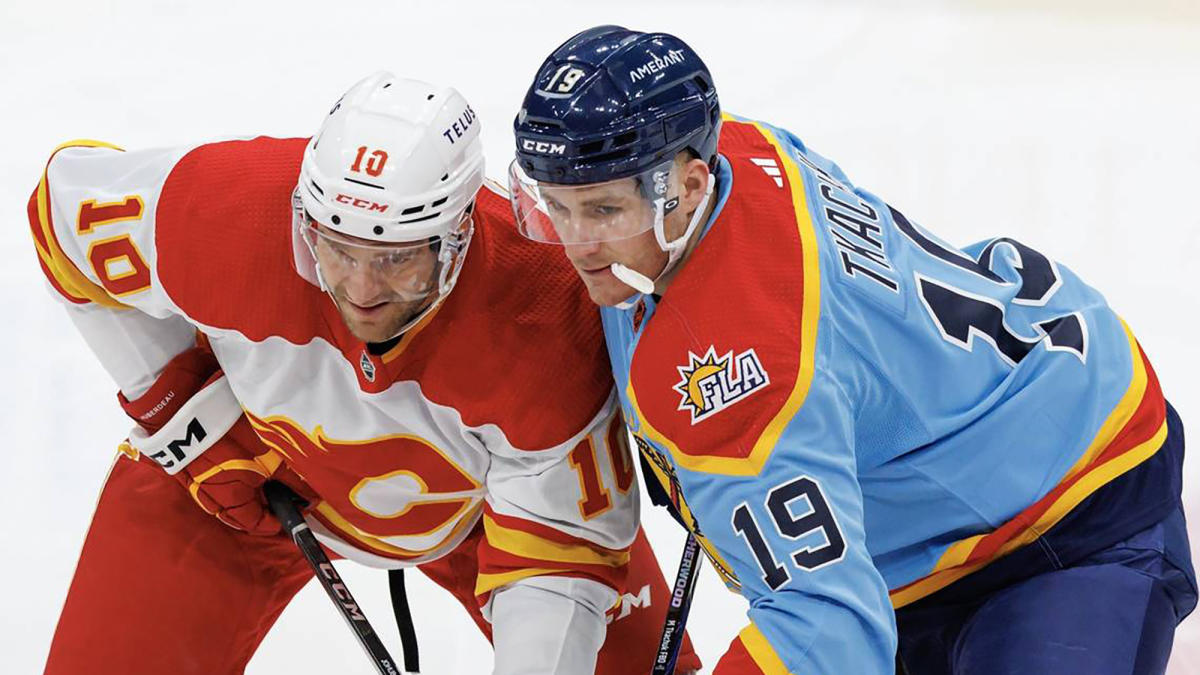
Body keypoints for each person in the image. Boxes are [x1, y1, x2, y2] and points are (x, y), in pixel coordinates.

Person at [509, 25, 1197, 674]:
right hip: (959, 477)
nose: (574, 243)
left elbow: (828, 629)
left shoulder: (742, 368)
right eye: (556, 205)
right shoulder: (739, 152)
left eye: (602, 211)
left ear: (687, 186)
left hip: (1070, 518)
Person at [30, 71, 700, 675]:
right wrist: (186, 414)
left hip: (480, 509)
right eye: (336, 248)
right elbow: (59, 211)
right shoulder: (230, 211)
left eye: (397, 259)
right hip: (246, 479)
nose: (359, 288)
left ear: (458, 234)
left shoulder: (547, 316)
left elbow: (557, 565)